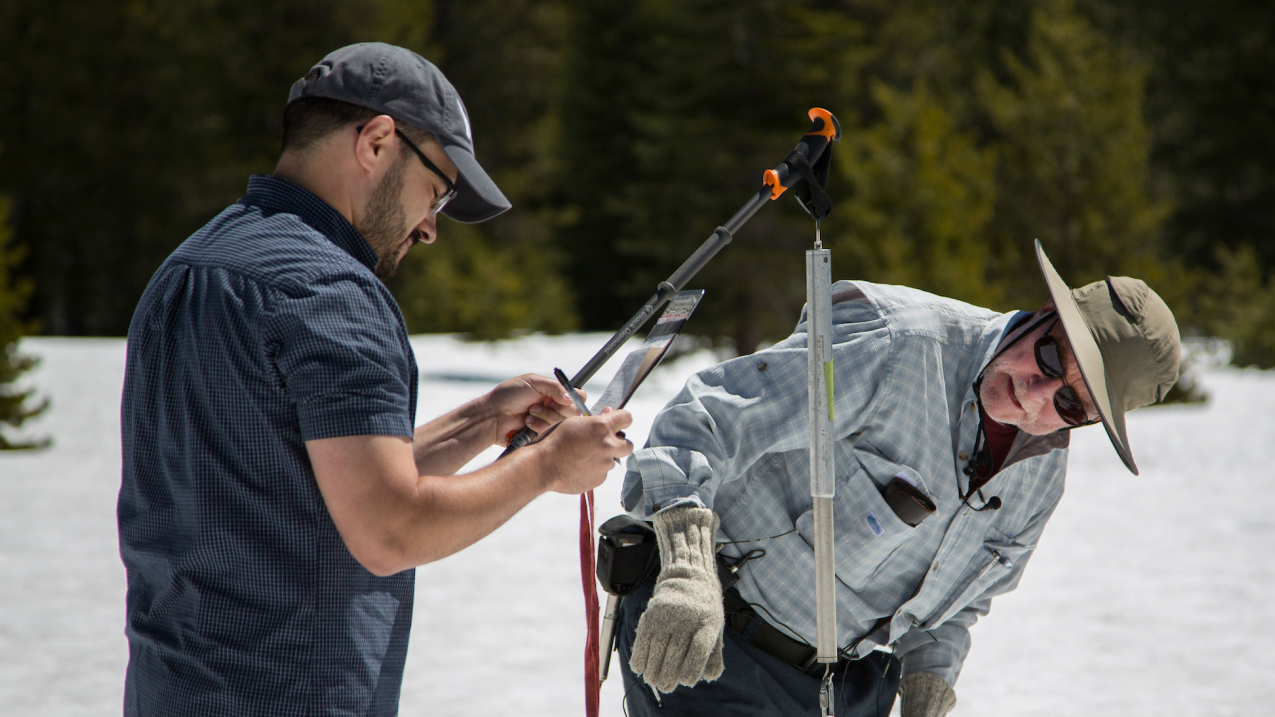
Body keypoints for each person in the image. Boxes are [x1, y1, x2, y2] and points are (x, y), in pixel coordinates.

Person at [117, 43, 633, 717]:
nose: (429, 229)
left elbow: (310, 480)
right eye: (438, 192)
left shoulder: (189, 266)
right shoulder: (331, 292)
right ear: (378, 142)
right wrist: (545, 468)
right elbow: (390, 529)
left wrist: (483, 420)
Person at [614, 240, 1180, 717]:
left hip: (852, 692)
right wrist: (686, 568)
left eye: (1071, 405)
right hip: (718, 650)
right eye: (1051, 358)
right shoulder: (896, 343)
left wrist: (929, 677)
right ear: (1042, 313)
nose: (1034, 394)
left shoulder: (1041, 478)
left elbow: (959, 599)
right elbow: (705, 419)